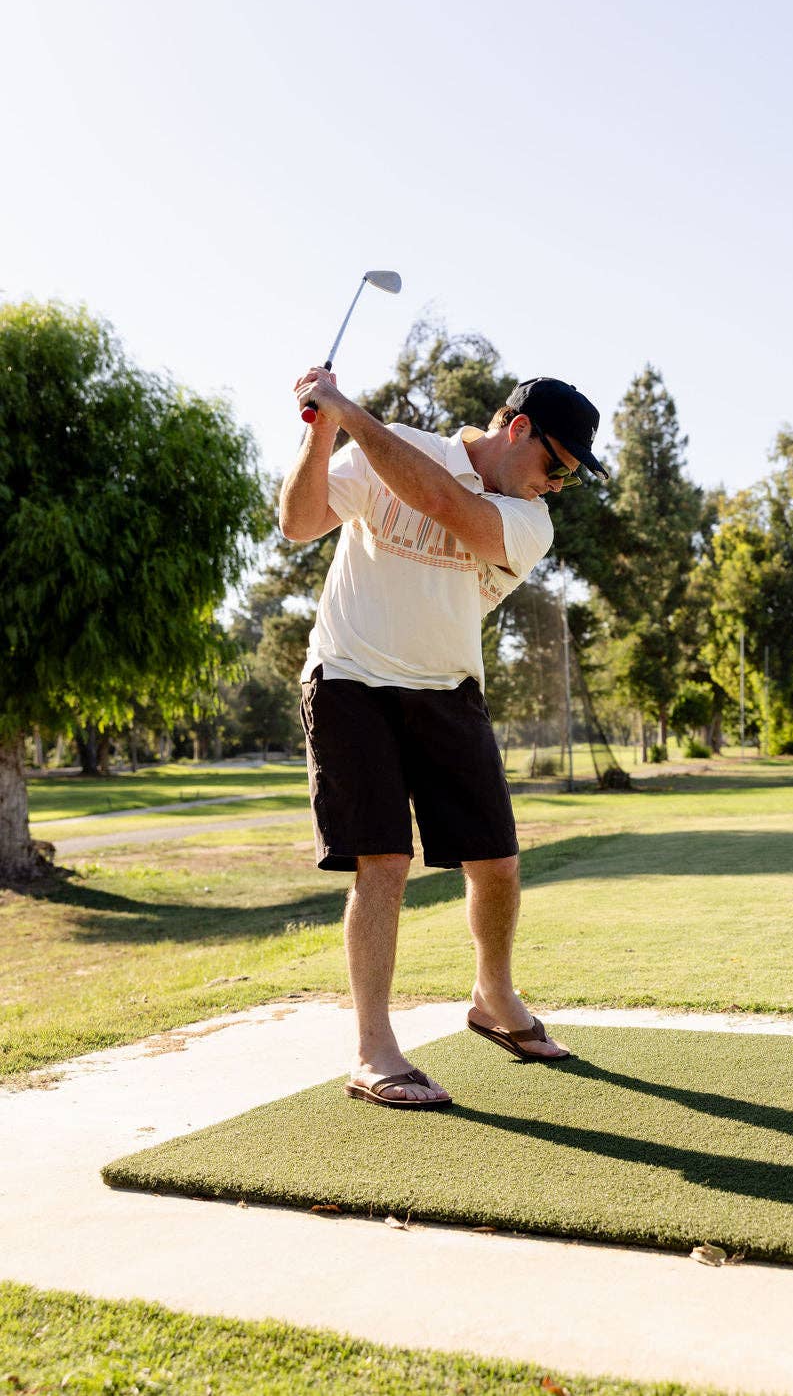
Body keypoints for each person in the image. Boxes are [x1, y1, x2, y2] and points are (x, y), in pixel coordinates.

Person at [279, 367, 608, 1109]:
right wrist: (324, 430)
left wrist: (348, 411)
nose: (558, 484)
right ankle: (373, 1048)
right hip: (350, 679)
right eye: (557, 465)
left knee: (496, 860)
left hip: (448, 687)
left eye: (572, 477)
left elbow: (438, 499)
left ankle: (494, 997)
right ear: (517, 428)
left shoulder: (530, 522)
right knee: (383, 862)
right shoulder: (390, 444)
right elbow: (298, 524)